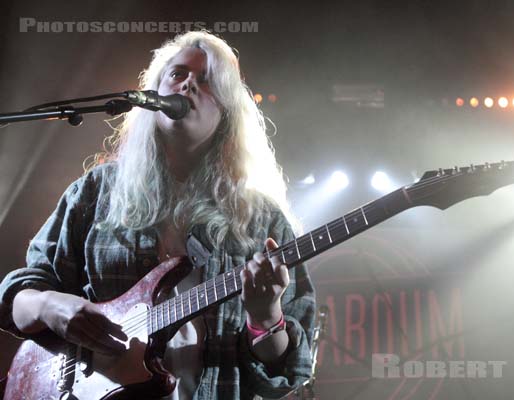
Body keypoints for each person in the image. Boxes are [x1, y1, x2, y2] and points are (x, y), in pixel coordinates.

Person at [0, 30, 315, 399]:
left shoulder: (262, 220)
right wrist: (50, 306)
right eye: (177, 74)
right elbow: (18, 295)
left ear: (228, 110)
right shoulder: (98, 191)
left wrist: (265, 318)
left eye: (206, 81)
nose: (187, 86)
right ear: (153, 92)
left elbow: (288, 373)